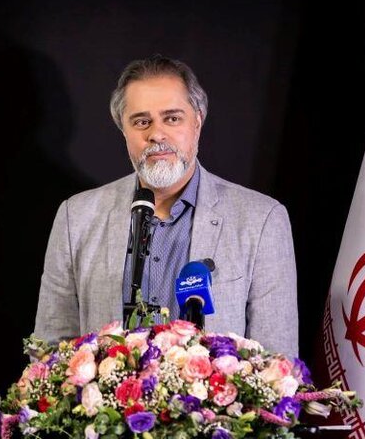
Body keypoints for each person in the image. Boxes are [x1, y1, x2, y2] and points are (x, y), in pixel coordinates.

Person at [33, 54, 298, 358]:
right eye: (141, 121)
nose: (156, 134)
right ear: (123, 130)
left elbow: (279, 363)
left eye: (172, 118)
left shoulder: (262, 220)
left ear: (197, 121)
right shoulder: (75, 217)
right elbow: (49, 352)